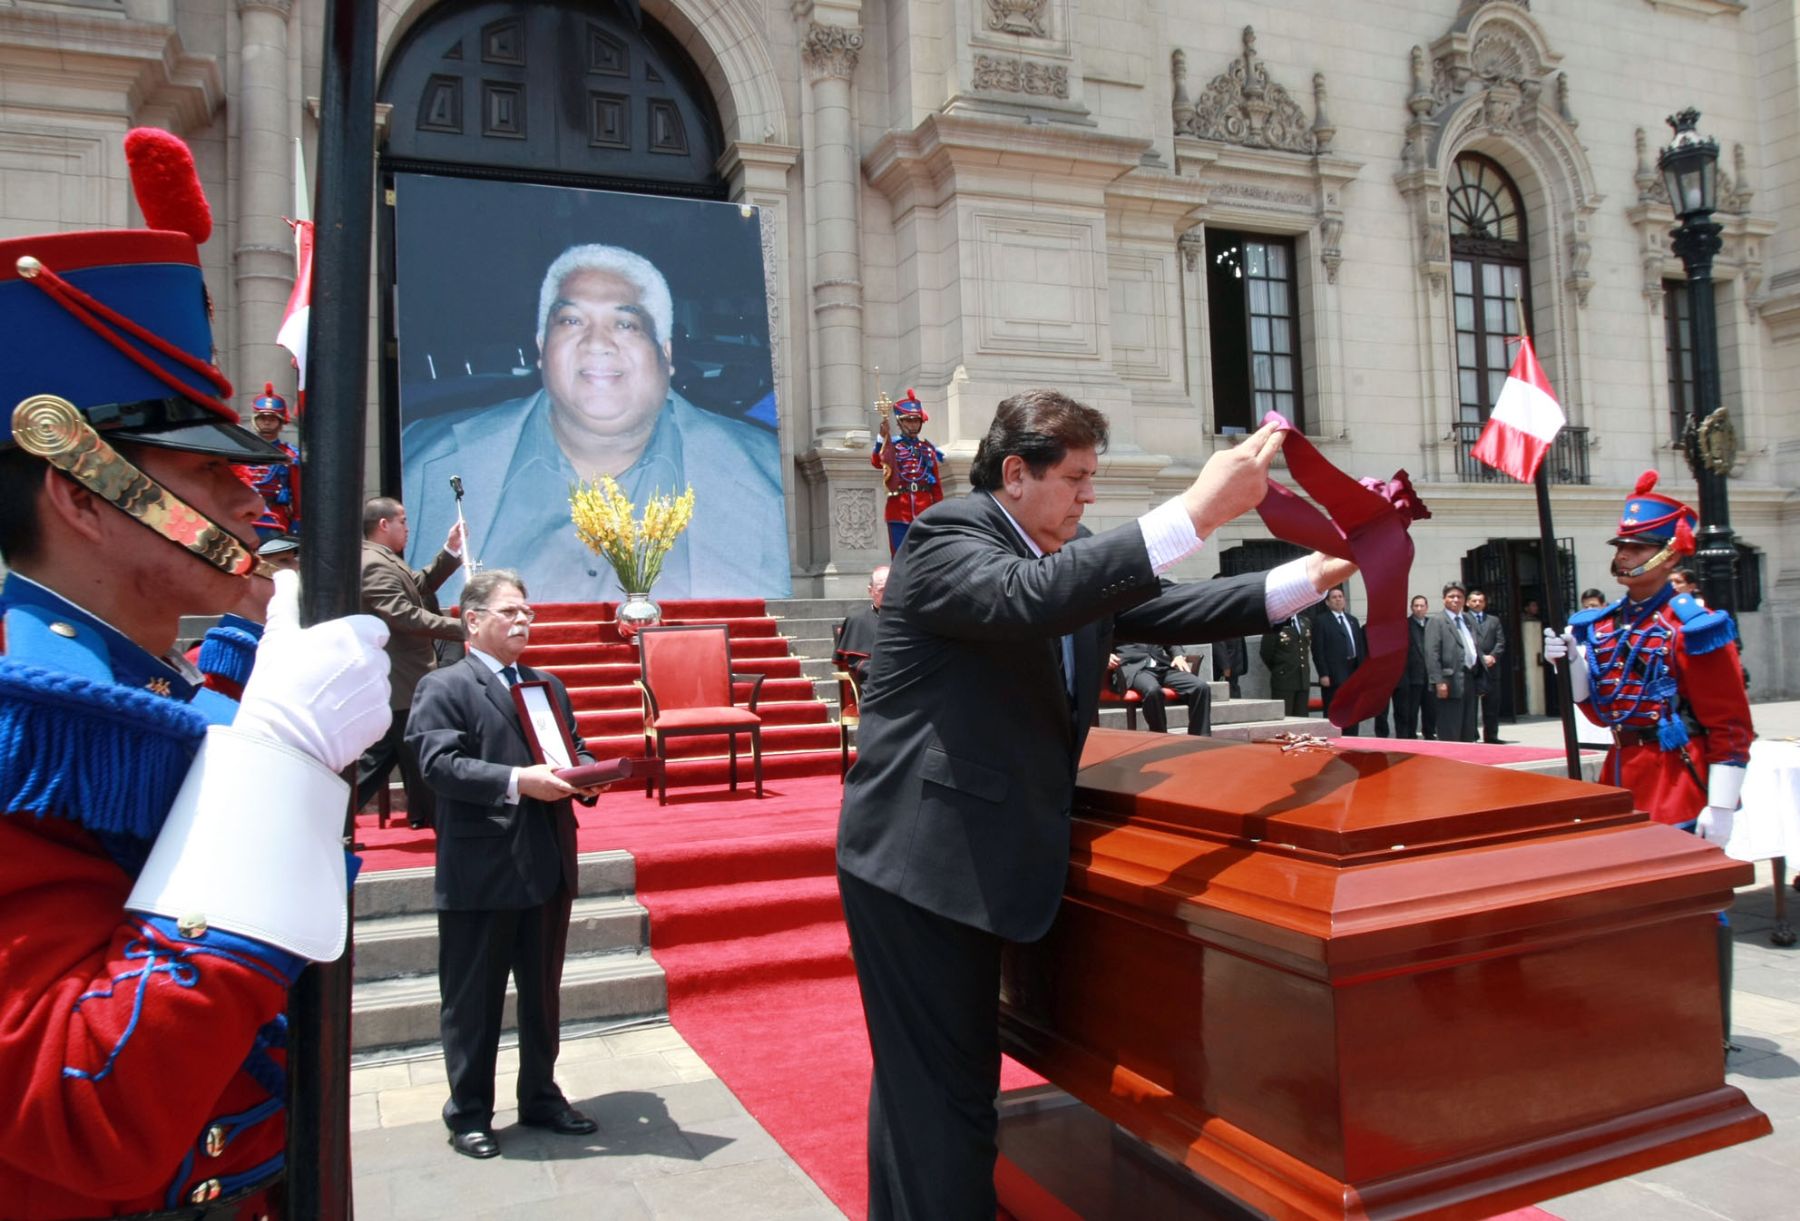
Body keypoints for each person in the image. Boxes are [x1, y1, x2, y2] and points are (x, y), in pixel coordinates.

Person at [835, 393, 1355, 1219]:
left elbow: (1175, 607)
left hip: (975, 856)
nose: (1087, 498)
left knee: (937, 1086)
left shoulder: (1064, 558)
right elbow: (1027, 598)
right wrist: (1196, 509)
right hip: (916, 862)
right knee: (942, 1095)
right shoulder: (947, 537)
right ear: (1016, 472)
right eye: (1075, 478)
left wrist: (1318, 572)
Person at [0, 126, 392, 1217]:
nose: (248, 501)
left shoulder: (130, 679)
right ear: (80, 489)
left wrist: (238, 672)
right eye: (203, 471)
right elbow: (83, 1106)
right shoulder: (16, 714)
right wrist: (273, 758)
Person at [400, 243, 789, 604]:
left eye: (626, 324)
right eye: (571, 320)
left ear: (666, 354)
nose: (597, 342)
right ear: (540, 348)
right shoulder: (421, 461)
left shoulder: (770, 475)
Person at [1543, 472, 1753, 1050]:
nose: (1624, 555)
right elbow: (1599, 714)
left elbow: (1731, 722)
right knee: (1621, 903)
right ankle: (1637, 1014)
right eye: (1621, 546)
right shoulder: (1601, 624)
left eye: (1636, 546)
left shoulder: (1694, 627)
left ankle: (1705, 1025)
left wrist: (1722, 801)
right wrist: (1571, 668)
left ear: (1667, 553)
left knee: (1690, 905)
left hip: (1676, 776)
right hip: (1622, 775)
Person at [407, 570, 603, 1160]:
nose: (522, 622)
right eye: (509, 612)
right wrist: (519, 781)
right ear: (472, 621)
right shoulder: (445, 685)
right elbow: (437, 765)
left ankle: (541, 1096)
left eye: (528, 613)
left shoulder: (547, 685)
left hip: (546, 863)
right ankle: (469, 1112)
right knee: (474, 999)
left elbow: (570, 746)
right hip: (482, 868)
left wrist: (589, 775)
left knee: (542, 994)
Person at [358, 497, 467, 831]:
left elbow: (417, 589)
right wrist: (465, 627)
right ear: (383, 525)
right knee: (414, 753)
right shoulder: (373, 563)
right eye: (402, 521)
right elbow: (403, 615)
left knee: (389, 756)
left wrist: (449, 552)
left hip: (401, 681)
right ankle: (446, 823)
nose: (407, 528)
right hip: (400, 678)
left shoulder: (384, 559)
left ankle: (324, 813)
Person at [873, 389, 944, 554]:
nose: (913, 424)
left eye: (916, 421)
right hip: (899, 511)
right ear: (900, 422)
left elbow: (937, 487)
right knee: (900, 558)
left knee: (924, 557)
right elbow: (877, 462)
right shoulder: (892, 446)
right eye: (909, 421)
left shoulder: (927, 449)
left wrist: (939, 513)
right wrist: (881, 439)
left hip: (924, 512)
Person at [1311, 586, 1385, 735]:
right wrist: (1323, 673)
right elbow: (1317, 650)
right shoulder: (1321, 621)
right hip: (1334, 675)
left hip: (1353, 673)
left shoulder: (1352, 620)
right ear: (1327, 602)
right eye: (1334, 597)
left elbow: (1360, 648)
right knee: (1335, 711)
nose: (1338, 599)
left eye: (1340, 596)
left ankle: (1352, 739)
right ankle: (1335, 740)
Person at [231, 382, 300, 538]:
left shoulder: (290, 455)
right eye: (262, 418)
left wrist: (297, 520)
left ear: (281, 423)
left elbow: (297, 493)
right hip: (245, 514)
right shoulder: (241, 451)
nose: (267, 422)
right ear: (255, 420)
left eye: (272, 419)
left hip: (277, 516)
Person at [1109, 642, 1213, 735]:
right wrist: (1106, 656)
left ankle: (1200, 737)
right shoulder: (1117, 620)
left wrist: (1178, 655)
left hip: (1161, 666)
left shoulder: (1154, 620)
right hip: (1134, 668)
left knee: (1201, 687)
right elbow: (1101, 637)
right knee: (1153, 690)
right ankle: (1160, 734)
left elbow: (1170, 637)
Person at [1424, 581, 1480, 742]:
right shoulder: (1437, 621)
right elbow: (1431, 653)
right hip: (1449, 681)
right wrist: (1438, 681)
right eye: (1451, 596)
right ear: (1444, 599)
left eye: (1459, 596)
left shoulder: (1467, 620)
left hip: (1469, 678)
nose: (1456, 600)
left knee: (1468, 726)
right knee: (1451, 727)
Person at [833, 564, 889, 688]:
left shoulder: (909, 618)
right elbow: (860, 665)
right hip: (878, 684)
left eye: (892, 589)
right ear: (871, 591)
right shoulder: (858, 621)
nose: (888, 594)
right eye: (882, 590)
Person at [1392, 594, 1435, 739]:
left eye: (1422, 606)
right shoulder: (1404, 625)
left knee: (1430, 709)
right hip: (1412, 676)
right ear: (1411, 608)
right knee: (1411, 711)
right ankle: (1410, 736)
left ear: (1427, 608)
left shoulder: (1433, 624)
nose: (1419, 608)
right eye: (1416, 606)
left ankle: (1429, 734)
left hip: (1429, 676)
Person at [1466, 589, 1506, 743]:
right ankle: (1472, 736)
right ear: (1468, 602)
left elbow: (1501, 642)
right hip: (1474, 667)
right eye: (1474, 601)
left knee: (1492, 704)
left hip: (1492, 668)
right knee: (1472, 706)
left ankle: (1492, 736)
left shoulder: (1494, 620)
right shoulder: (1464, 619)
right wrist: (1481, 657)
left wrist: (1493, 656)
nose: (1477, 603)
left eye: (1480, 601)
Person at [1260, 611, 1312, 717]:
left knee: (1301, 717)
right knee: (1285, 716)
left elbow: (1305, 646)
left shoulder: (1304, 621)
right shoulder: (1275, 623)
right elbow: (1266, 652)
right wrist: (1279, 669)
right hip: (1284, 679)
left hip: (1302, 679)